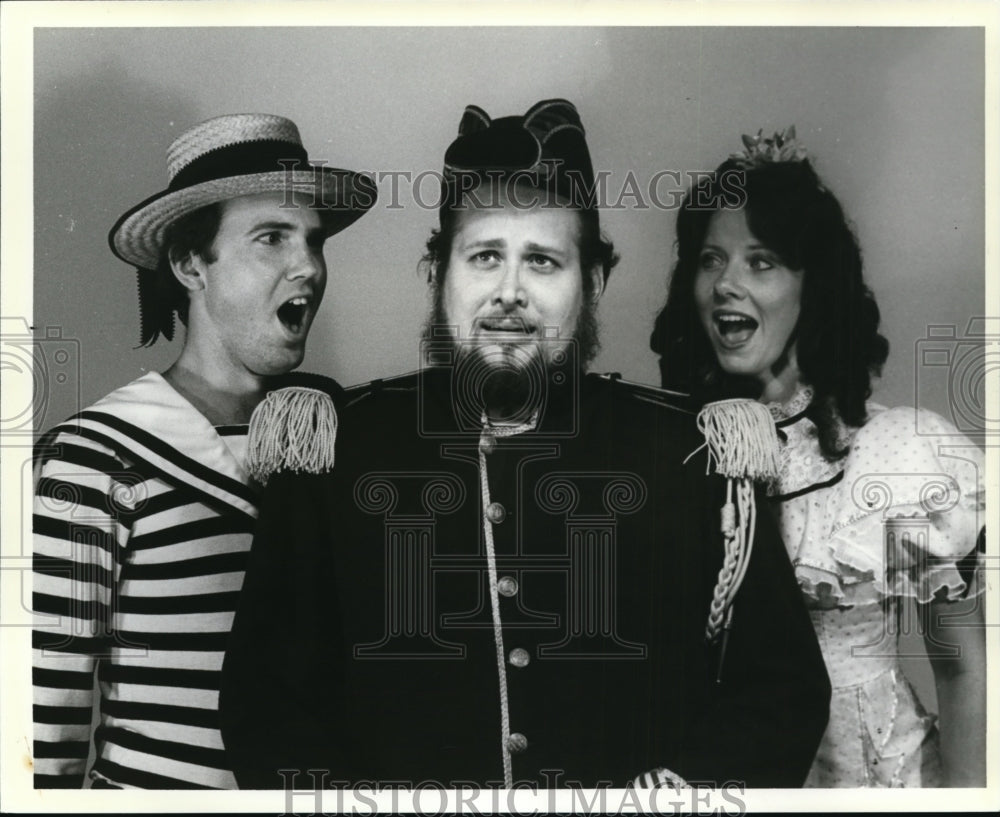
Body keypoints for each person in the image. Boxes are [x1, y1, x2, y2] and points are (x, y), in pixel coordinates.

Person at [220, 100, 830, 790]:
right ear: (436, 273)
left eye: (542, 261)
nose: (509, 292)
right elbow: (267, 708)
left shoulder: (693, 450)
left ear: (592, 283)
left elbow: (781, 694)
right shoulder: (336, 445)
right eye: (484, 257)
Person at [31, 113, 376, 788]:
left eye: (312, 239)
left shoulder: (343, 433)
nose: (307, 265)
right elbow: (44, 728)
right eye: (270, 238)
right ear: (192, 265)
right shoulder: (93, 457)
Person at [650, 128, 986, 787]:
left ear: (815, 287)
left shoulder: (900, 455)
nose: (727, 284)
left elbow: (963, 666)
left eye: (762, 260)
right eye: (711, 259)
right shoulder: (673, 452)